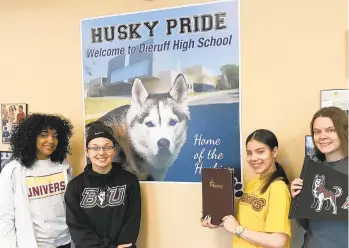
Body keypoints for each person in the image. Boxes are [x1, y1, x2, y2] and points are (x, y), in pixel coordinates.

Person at [201, 129, 291, 248]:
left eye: (260, 152)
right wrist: (218, 221)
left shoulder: (278, 188)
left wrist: (237, 229)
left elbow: (278, 242)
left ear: (274, 152)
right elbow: (242, 224)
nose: (253, 158)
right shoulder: (251, 184)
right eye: (249, 153)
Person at [0, 113, 74, 248]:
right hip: (34, 243)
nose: (51, 140)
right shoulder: (13, 170)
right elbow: (5, 217)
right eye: (44, 135)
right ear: (30, 137)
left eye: (55, 136)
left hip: (65, 240)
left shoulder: (64, 165)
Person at [65, 121, 141, 248]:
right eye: (95, 147)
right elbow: (77, 227)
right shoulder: (75, 186)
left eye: (107, 147)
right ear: (87, 152)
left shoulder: (130, 180)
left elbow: (132, 221)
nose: (101, 153)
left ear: (114, 150)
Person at [291, 106, 348, 248]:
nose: (322, 136)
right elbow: (305, 223)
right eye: (317, 132)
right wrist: (298, 199)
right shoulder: (312, 170)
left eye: (330, 130)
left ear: (344, 131)